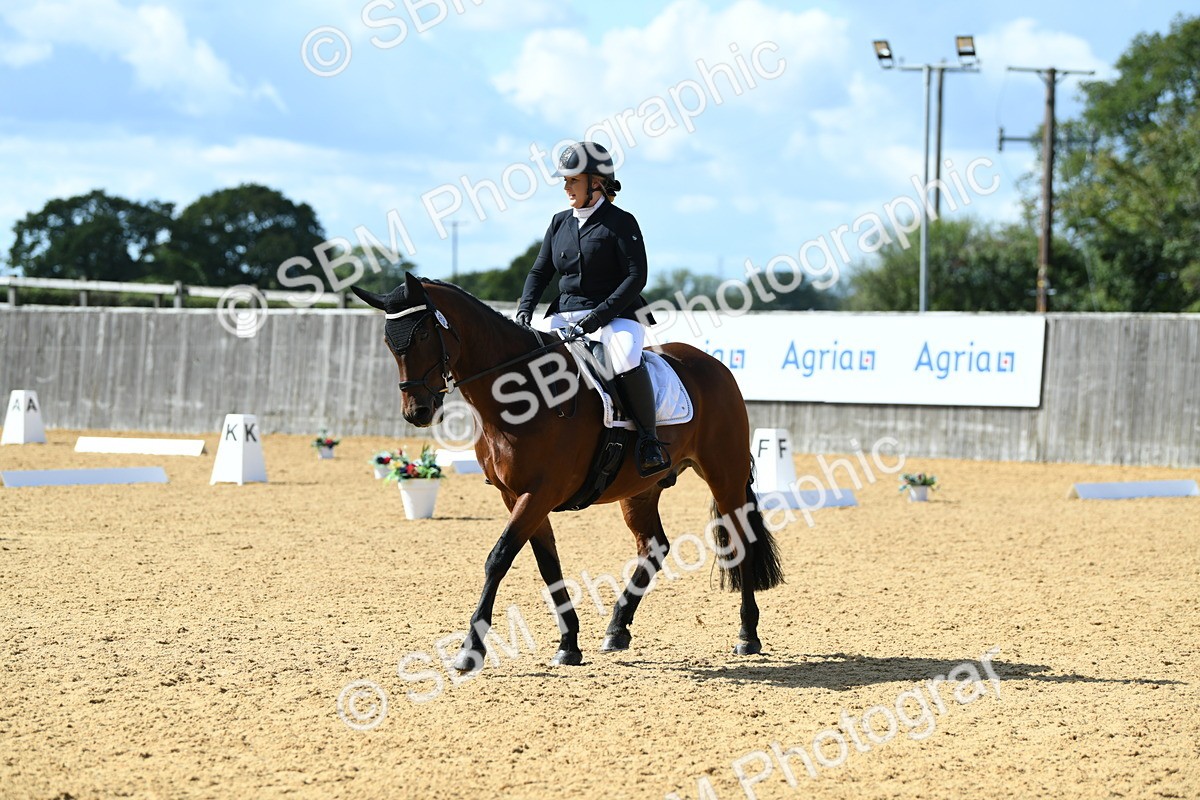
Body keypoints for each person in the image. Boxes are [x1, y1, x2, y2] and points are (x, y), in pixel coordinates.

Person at [516, 141, 670, 477]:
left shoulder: (621, 222)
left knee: (624, 357)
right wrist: (524, 310)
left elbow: (636, 277)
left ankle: (649, 440)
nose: (567, 187)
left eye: (573, 180)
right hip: (565, 314)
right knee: (530, 360)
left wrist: (598, 316)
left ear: (596, 182)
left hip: (617, 315)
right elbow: (540, 272)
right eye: (566, 181)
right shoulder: (559, 223)